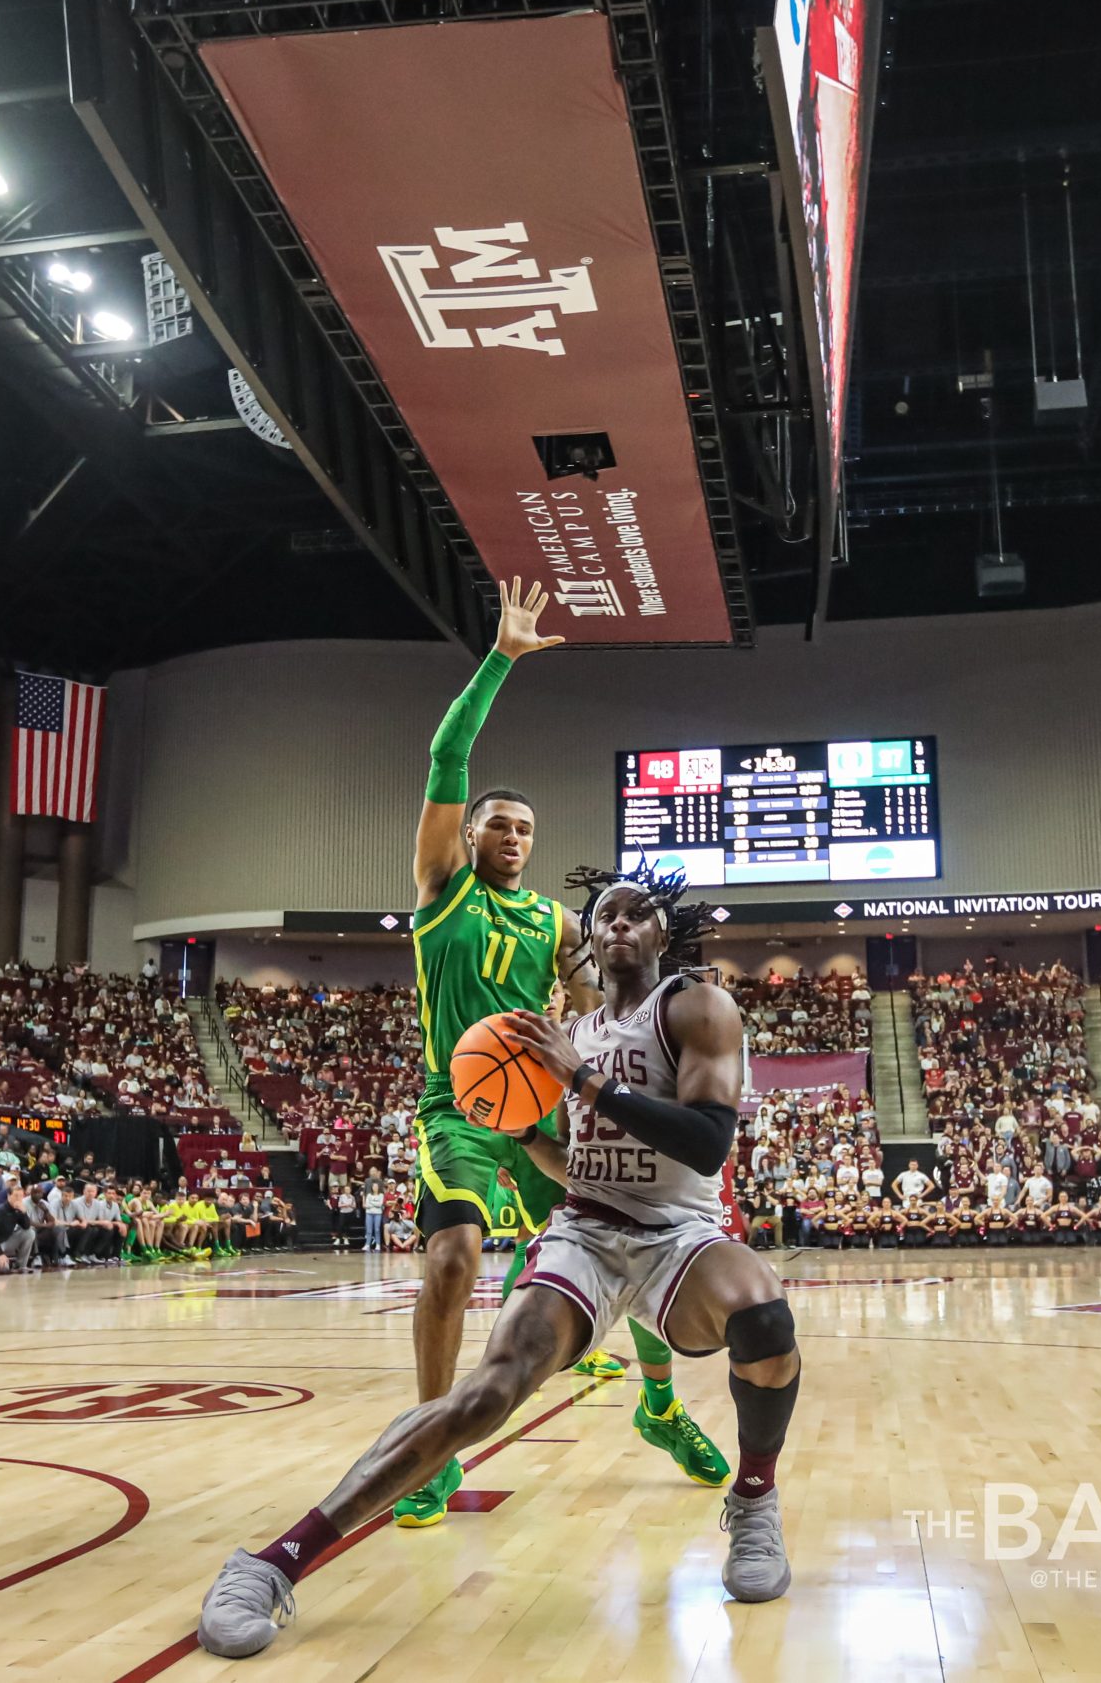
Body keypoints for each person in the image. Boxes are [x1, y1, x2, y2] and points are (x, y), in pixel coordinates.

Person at [198, 865, 800, 1657]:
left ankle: (754, 1499)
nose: (619, 924)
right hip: (586, 1231)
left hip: (677, 1234)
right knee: (487, 1393)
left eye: (637, 914)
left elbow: (708, 1139)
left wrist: (578, 1080)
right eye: (605, 915)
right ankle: (273, 1562)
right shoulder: (573, 1036)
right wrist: (520, 1129)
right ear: (588, 940)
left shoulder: (696, 1006)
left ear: (662, 932)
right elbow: (573, 1163)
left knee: (762, 1312)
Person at [397, 581, 721, 1526]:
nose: (513, 836)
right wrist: (502, 653)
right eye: (498, 822)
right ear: (468, 833)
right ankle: (430, 1446)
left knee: (634, 1240)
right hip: (456, 1106)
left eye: (526, 828)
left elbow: (598, 1017)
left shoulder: (556, 921)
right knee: (452, 1257)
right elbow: (447, 751)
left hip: (541, 1106)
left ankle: (661, 1407)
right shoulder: (440, 889)